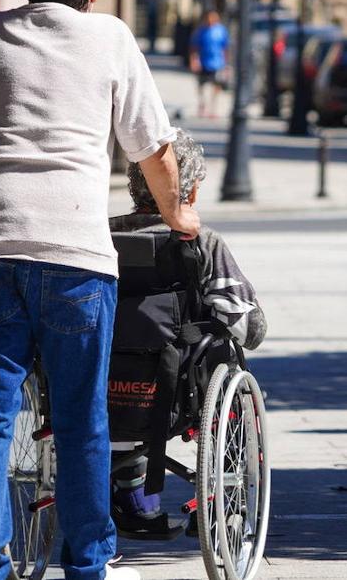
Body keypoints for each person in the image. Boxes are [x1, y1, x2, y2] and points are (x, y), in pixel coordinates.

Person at [0, 0, 201, 580]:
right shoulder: (112, 37)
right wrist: (178, 215)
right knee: (81, 418)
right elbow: (152, 146)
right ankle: (87, 565)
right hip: (75, 258)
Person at [107, 129, 267, 537]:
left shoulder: (101, 235)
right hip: (181, 389)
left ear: (134, 185)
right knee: (229, 362)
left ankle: (130, 495)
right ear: (191, 193)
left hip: (104, 381)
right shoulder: (203, 241)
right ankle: (216, 504)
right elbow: (247, 327)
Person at [188, 10, 230, 119]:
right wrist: (194, 60)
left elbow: (225, 48)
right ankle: (202, 105)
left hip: (217, 63)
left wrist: (226, 64)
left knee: (216, 86)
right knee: (201, 85)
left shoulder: (221, 31)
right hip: (204, 62)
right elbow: (194, 47)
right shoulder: (201, 31)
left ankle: (213, 108)